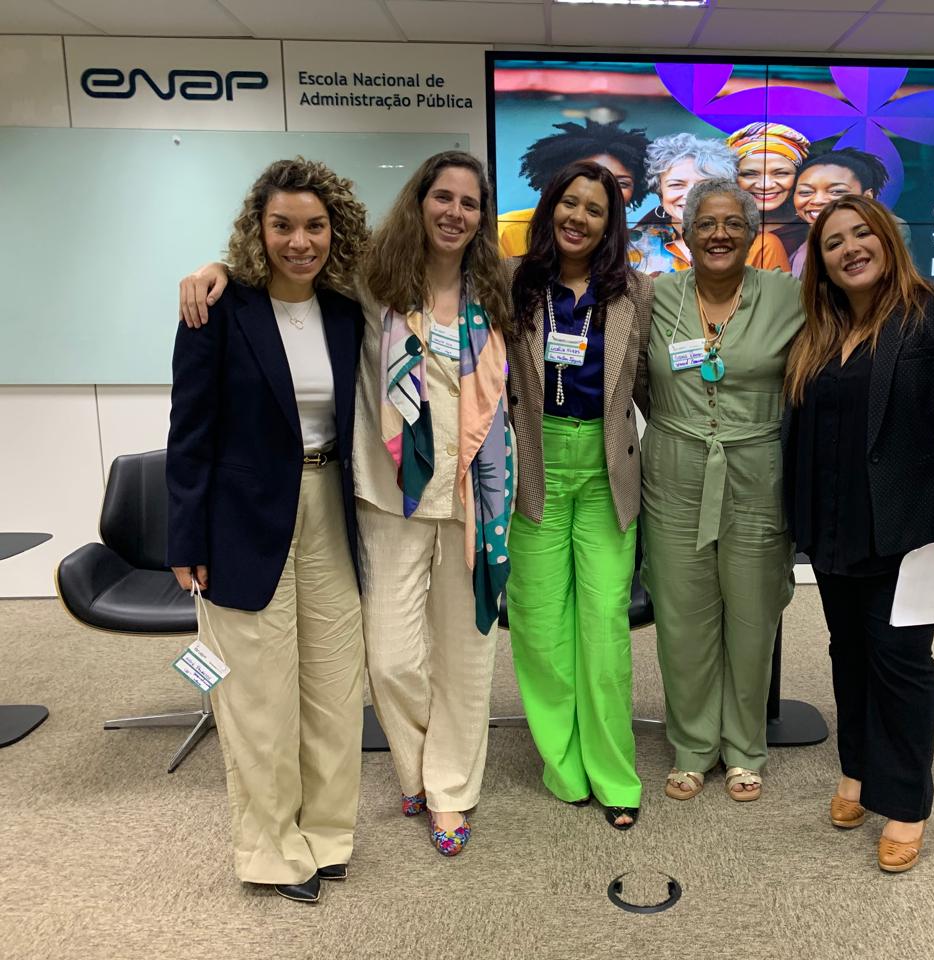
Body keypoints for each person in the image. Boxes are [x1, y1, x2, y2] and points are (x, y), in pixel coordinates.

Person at [177, 151, 514, 860]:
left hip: (474, 505)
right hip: (386, 499)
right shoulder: (372, 282)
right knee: (388, 660)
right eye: (442, 197)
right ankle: (415, 763)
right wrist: (215, 269)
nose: (454, 212)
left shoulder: (501, 291)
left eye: (469, 202)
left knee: (466, 659)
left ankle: (449, 788)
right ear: (418, 202)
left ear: (483, 216)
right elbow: (288, 264)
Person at [166, 157, 370, 902]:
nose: (299, 241)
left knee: (334, 688)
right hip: (241, 520)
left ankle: (327, 834)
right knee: (257, 697)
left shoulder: (346, 312)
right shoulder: (219, 310)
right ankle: (272, 851)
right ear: (258, 229)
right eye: (282, 225)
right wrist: (186, 540)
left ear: (334, 231)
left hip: (329, 509)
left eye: (314, 226)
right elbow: (189, 432)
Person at [782, 195, 934, 873]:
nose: (850, 248)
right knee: (847, 652)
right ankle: (855, 770)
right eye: (833, 242)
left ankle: (905, 802)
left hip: (910, 528)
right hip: (834, 524)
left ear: (887, 238)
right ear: (821, 262)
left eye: (861, 234)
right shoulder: (821, 329)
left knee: (901, 662)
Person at [640, 178, 802, 803]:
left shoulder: (787, 296)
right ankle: (692, 745)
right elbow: (633, 376)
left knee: (753, 614)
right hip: (674, 471)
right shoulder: (656, 296)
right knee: (682, 615)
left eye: (733, 222)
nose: (719, 234)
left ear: (752, 232)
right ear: (685, 233)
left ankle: (744, 748)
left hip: (758, 472)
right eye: (706, 223)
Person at [503, 159, 653, 830]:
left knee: (604, 628)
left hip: (606, 473)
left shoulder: (633, 292)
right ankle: (562, 764)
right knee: (539, 626)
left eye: (595, 209)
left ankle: (613, 773)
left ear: (610, 223)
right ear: (549, 207)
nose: (579, 217)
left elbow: (648, 384)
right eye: (570, 202)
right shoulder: (512, 281)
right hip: (534, 467)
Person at [630, 133, 788, 276]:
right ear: (660, 192)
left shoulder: (761, 245)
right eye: (676, 185)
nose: (691, 195)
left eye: (705, 184)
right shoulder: (633, 244)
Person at [498, 119, 651, 258]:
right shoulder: (505, 232)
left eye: (622, 183)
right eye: (590, 176)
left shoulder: (638, 250)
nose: (606, 188)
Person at [788, 148, 911, 277]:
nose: (818, 200)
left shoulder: (888, 229)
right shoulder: (795, 237)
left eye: (837, 191)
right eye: (806, 192)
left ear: (867, 197)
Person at [725, 122, 810, 257]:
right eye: (749, 174)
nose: (765, 185)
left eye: (781, 173)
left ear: (799, 175)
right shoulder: (718, 226)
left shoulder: (810, 225)